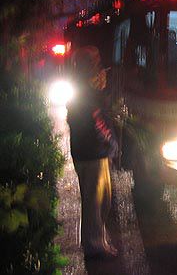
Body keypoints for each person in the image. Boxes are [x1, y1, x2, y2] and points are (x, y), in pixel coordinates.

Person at [67, 45, 118, 258]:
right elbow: (97, 121)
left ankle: (98, 241)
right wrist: (111, 142)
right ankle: (94, 246)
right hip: (92, 152)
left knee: (101, 199)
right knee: (94, 201)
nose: (99, 63)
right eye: (95, 60)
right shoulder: (85, 90)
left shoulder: (85, 87)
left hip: (93, 151)